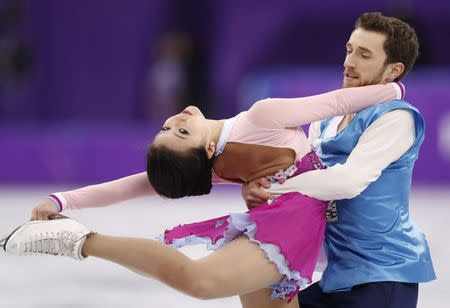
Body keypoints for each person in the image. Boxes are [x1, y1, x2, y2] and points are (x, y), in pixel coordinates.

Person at [3, 80, 402, 308]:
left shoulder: (258, 121)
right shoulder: (228, 154)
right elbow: (134, 185)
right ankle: (80, 241)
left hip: (289, 225)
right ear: (206, 150)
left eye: (168, 129)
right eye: (180, 133)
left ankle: (80, 241)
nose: (175, 121)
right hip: (287, 226)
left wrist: (392, 91)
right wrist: (62, 202)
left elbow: (334, 102)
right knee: (199, 281)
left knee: (203, 283)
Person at [242, 12, 436, 308]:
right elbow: (301, 176)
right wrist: (263, 189)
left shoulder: (397, 118)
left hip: (383, 276)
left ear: (392, 70)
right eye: (349, 50)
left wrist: (278, 188)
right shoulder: (326, 120)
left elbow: (348, 181)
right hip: (338, 276)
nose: (349, 62)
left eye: (364, 55)